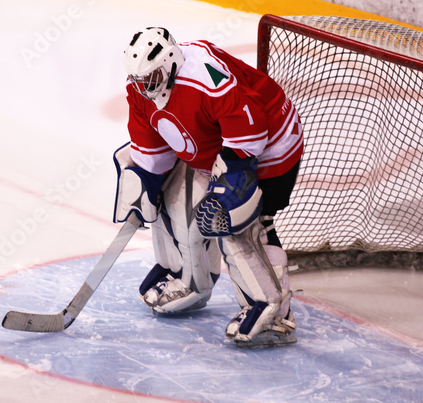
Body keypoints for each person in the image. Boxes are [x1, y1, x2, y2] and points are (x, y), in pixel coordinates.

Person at [113, 26, 304, 347]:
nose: (144, 86)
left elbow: (249, 130)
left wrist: (231, 183)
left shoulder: (205, 77)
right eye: (139, 79)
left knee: (239, 219)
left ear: (171, 63)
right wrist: (146, 183)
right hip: (217, 145)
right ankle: (190, 280)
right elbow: (151, 153)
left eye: (152, 77)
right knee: (168, 198)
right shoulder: (141, 89)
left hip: (271, 143)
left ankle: (275, 313)